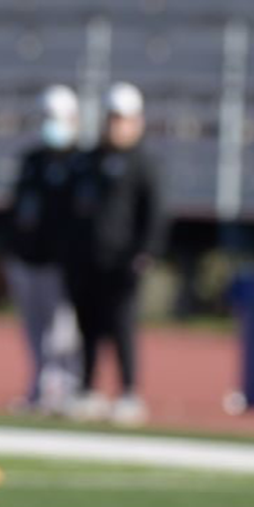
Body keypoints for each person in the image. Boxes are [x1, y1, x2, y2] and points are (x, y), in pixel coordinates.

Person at [62, 82, 165, 426]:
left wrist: (145, 253)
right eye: (112, 118)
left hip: (123, 262)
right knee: (87, 327)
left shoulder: (144, 164)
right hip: (87, 259)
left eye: (123, 119)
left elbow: (154, 213)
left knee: (121, 328)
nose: (116, 126)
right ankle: (88, 389)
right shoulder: (89, 161)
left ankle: (129, 393)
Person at [3, 85, 82, 414]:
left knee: (62, 332)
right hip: (27, 257)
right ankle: (39, 388)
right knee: (34, 330)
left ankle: (66, 389)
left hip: (59, 260)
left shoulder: (80, 163)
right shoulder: (33, 161)